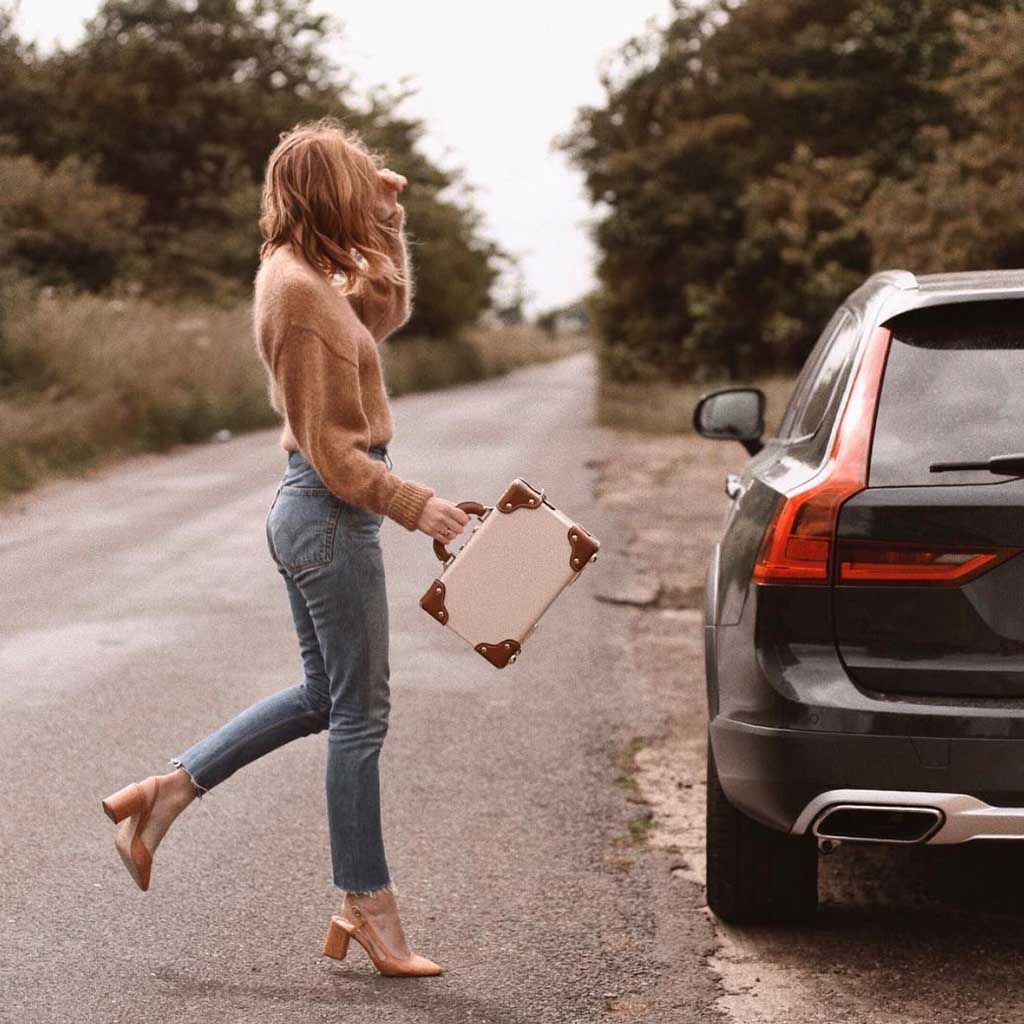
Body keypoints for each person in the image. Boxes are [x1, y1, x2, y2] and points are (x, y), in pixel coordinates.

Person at [100, 116, 471, 979]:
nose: (367, 196)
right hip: (330, 513)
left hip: (320, 515)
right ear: (324, 195)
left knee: (325, 697)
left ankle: (166, 793)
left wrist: (389, 223)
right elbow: (335, 453)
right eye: (357, 186)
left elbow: (386, 313)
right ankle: (368, 906)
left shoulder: (307, 278)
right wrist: (419, 508)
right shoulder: (298, 294)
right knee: (360, 716)